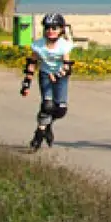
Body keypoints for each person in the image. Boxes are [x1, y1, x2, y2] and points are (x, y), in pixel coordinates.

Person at [20, 13, 75, 151]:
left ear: (61, 29)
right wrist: (27, 83)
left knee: (61, 110)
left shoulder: (64, 46)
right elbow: (32, 63)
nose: (50, 31)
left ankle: (48, 125)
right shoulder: (38, 45)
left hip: (60, 77)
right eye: (48, 28)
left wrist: (58, 75)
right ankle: (38, 137)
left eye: (54, 28)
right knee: (47, 105)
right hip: (45, 75)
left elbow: (67, 66)